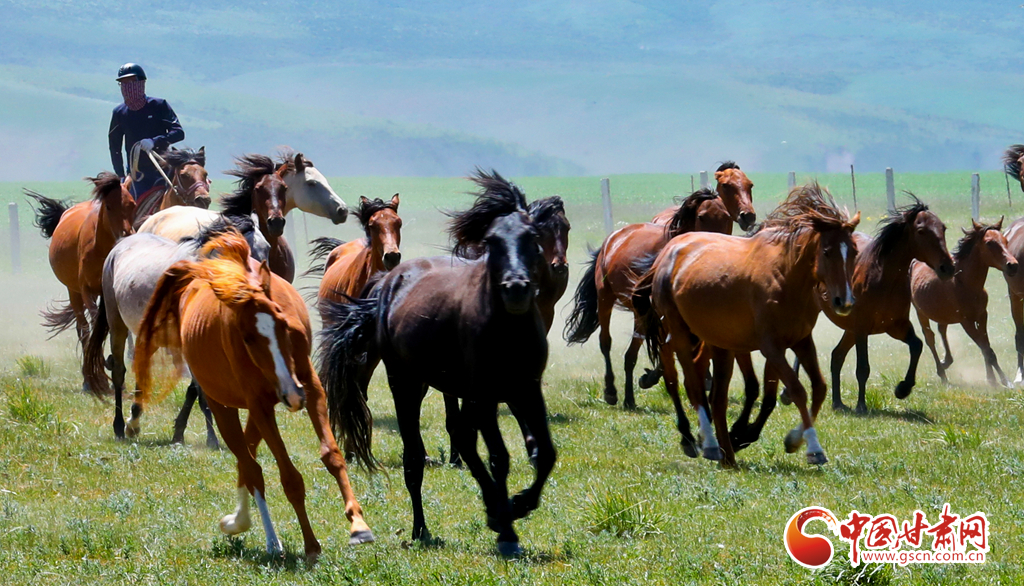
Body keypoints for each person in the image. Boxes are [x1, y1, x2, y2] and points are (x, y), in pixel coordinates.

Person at [107, 62, 185, 216]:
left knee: (187, 199)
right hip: (138, 175)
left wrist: (155, 141)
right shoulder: (119, 113)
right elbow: (114, 146)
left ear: (141, 82)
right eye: (123, 83)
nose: (127, 87)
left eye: (131, 82)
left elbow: (178, 132)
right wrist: (121, 175)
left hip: (164, 171)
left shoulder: (159, 105)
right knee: (129, 213)